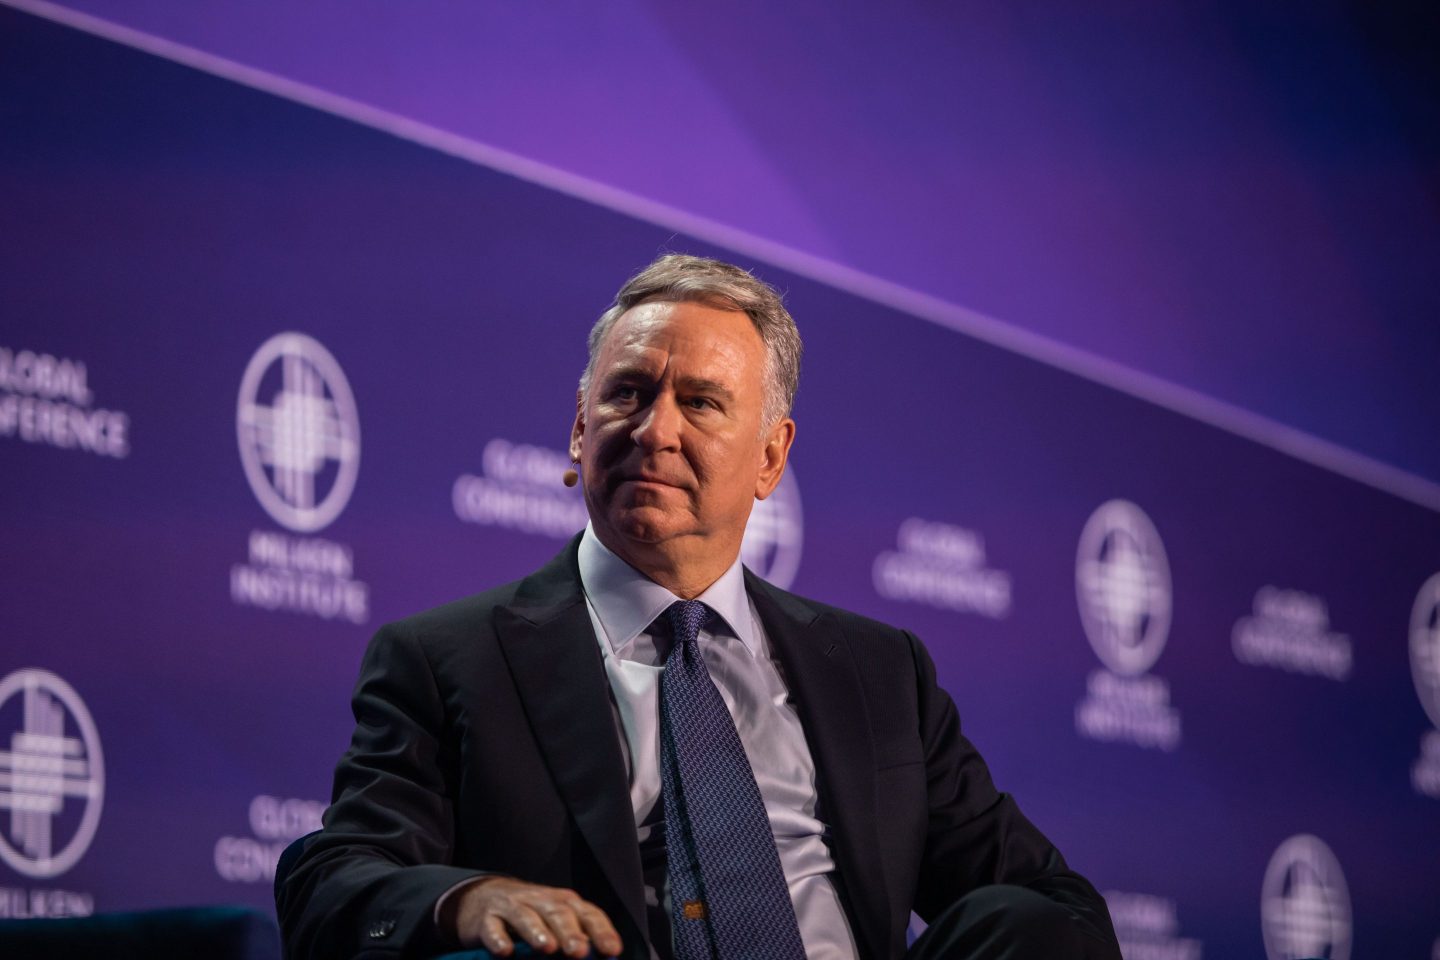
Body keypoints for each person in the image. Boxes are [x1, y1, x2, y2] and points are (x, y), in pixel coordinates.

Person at [276, 254, 1121, 960]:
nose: (654, 430)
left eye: (702, 403)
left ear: (770, 457)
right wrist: (467, 899)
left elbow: (1050, 899)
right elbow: (333, 880)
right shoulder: (449, 658)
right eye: (628, 394)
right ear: (579, 429)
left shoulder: (879, 673)